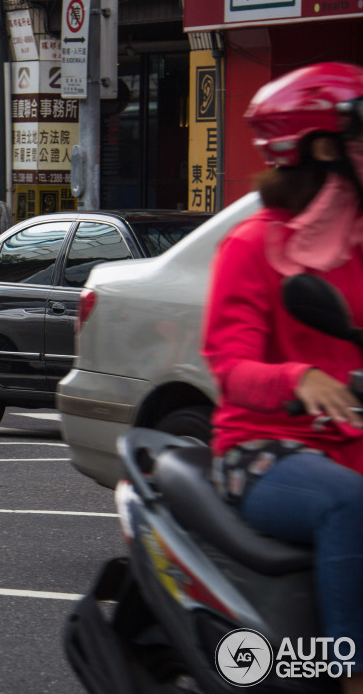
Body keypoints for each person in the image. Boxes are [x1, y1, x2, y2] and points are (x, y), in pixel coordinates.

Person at [203, 62, 363, 689]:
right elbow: (230, 365)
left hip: (347, 440)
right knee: (350, 505)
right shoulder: (251, 245)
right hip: (260, 450)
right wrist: (297, 379)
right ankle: (350, 675)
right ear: (323, 146)